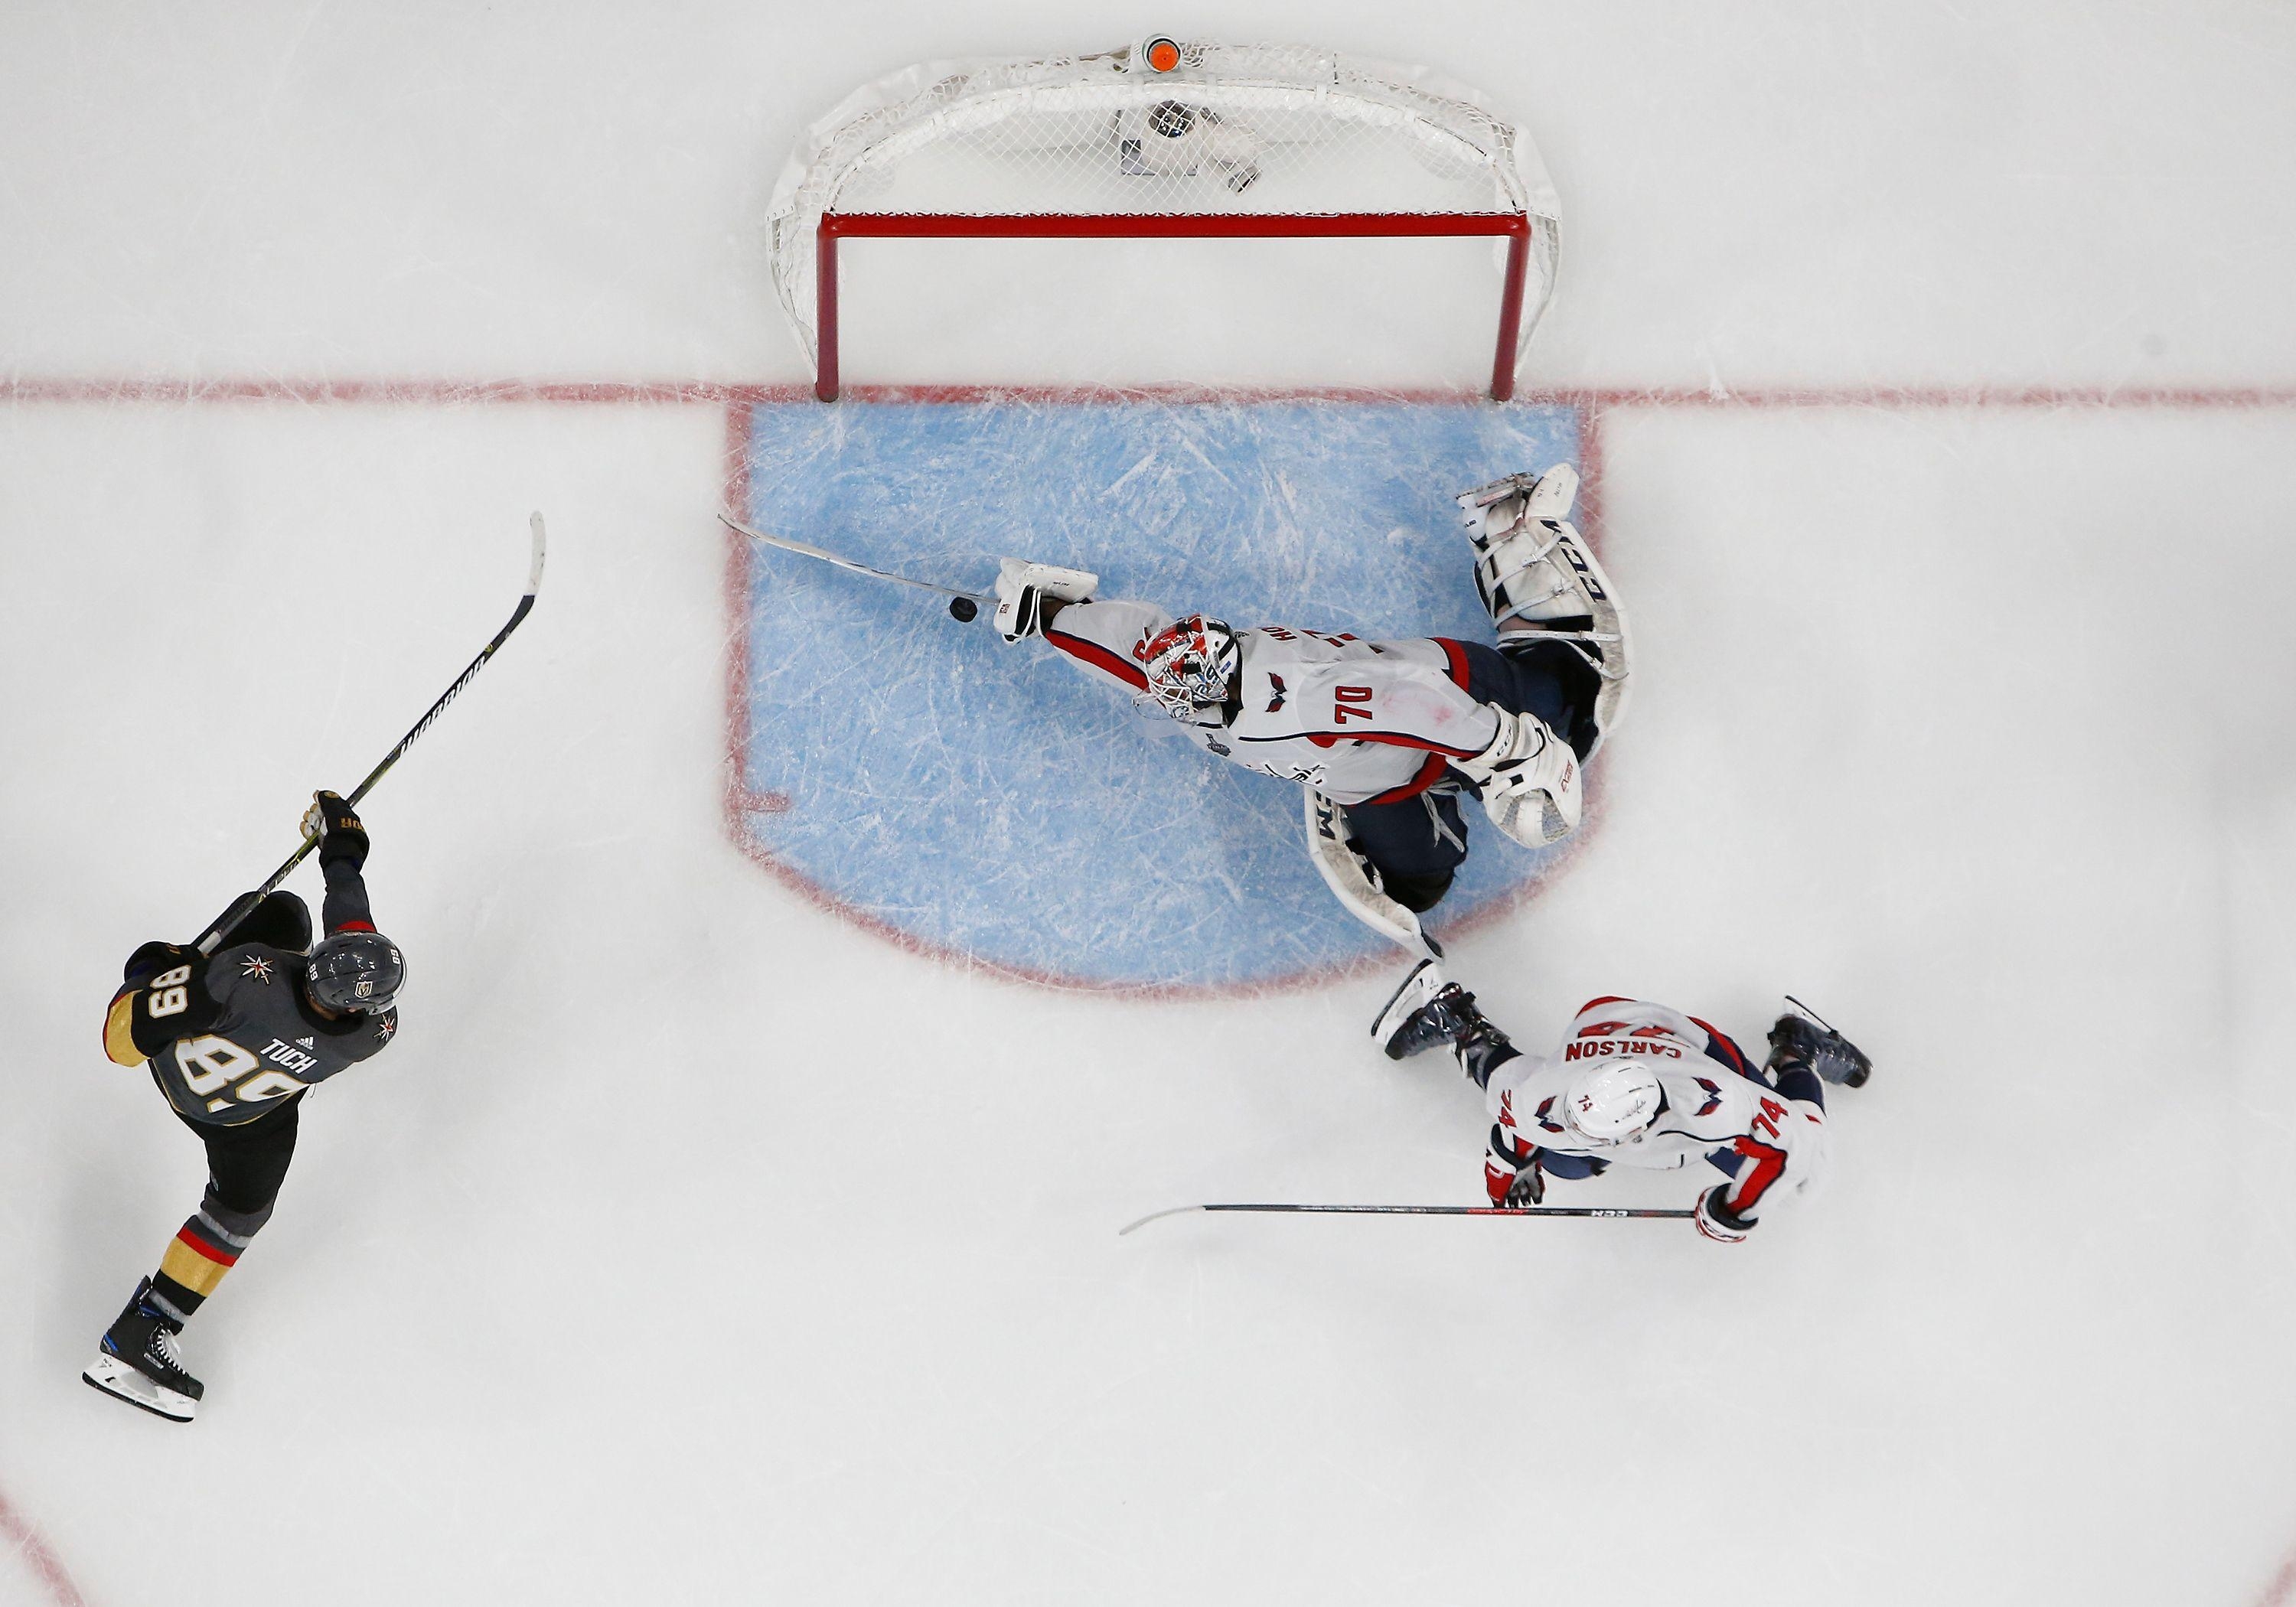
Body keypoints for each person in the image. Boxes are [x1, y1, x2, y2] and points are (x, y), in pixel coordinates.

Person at [990, 464, 1629, 922]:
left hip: (1456, 691)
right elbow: (1122, 647)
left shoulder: (1292, 700)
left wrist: (1504, 747)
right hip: (1375, 777)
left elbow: (1408, 697)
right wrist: (1042, 613)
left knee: (1576, 708)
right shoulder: (1170, 676)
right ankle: (1428, 789)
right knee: (1422, 884)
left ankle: (1507, 526)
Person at [86, 791, 403, 1420]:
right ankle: (147, 1326)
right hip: (245, 1120)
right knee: (240, 1209)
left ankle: (170, 968)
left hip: (177, 1073)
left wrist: (161, 972)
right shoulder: (374, 1033)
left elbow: (118, 1046)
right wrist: (344, 859)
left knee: (280, 913)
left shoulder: (245, 973)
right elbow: (353, 928)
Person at [1371, 962, 1872, 1243]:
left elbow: (1792, 1149)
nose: (1568, 1129)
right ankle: (1457, 1022)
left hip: (1686, 1045)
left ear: (1640, 1129)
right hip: (1603, 1026)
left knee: (1811, 1178)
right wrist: (1505, 1177)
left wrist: (1734, 1211)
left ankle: (1796, 1046)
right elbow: (1514, 1119)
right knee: (1565, 1163)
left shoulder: (1715, 1107)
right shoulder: (1549, 1102)